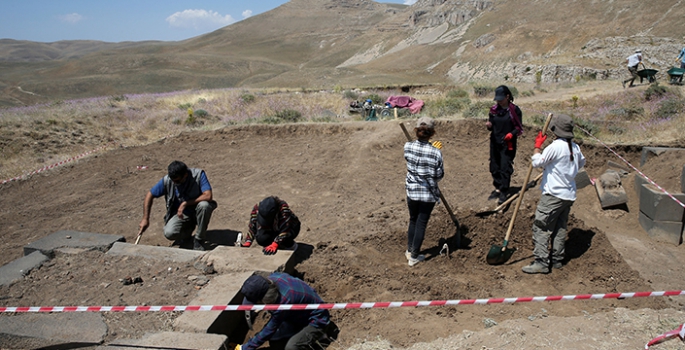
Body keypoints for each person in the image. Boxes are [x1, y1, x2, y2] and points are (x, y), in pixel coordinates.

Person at [522, 114, 586, 274]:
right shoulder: (575, 147)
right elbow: (581, 163)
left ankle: (541, 262)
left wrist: (537, 147)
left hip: (553, 195)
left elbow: (537, 162)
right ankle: (557, 260)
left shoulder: (556, 146)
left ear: (555, 130)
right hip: (568, 194)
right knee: (559, 227)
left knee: (541, 226)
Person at [237, 272, 339, 350]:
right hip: (298, 313)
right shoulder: (275, 277)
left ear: (266, 298)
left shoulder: (283, 302)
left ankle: (320, 336)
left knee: (291, 347)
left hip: (317, 320)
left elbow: (269, 329)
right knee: (275, 338)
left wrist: (245, 348)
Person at [139, 160, 217, 251]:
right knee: (169, 233)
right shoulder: (168, 180)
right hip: (182, 214)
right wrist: (145, 218)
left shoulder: (198, 175)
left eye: (178, 181)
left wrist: (186, 203)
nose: (175, 183)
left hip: (197, 210)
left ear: (185, 175)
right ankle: (187, 232)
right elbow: (149, 195)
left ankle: (199, 239)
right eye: (173, 181)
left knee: (204, 206)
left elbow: (208, 195)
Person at [404, 116, 444, 267]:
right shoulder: (436, 153)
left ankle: (409, 250)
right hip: (428, 194)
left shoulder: (407, 146)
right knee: (421, 223)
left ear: (416, 131)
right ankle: (414, 257)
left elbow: (410, 160)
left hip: (412, 191)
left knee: (413, 220)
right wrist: (434, 150)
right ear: (432, 133)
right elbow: (439, 176)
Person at [486, 85, 523, 205]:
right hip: (495, 142)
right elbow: (491, 123)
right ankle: (497, 187)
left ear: (507, 97)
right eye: (497, 99)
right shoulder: (494, 110)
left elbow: (518, 128)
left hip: (508, 144)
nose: (499, 101)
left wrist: (511, 135)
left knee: (504, 168)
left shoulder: (515, 110)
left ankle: (504, 191)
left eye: (501, 99)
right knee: (494, 167)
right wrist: (489, 125)